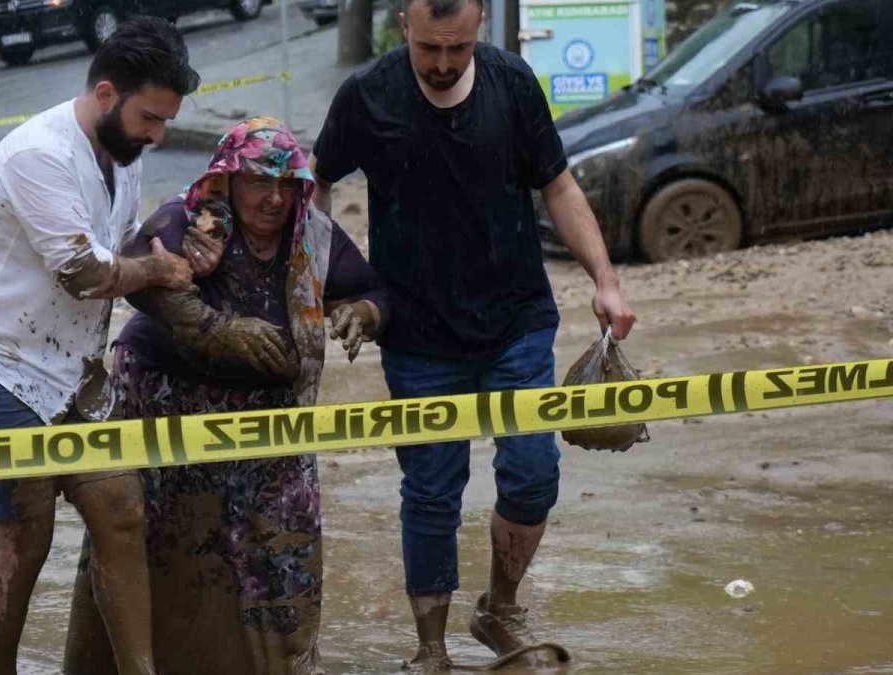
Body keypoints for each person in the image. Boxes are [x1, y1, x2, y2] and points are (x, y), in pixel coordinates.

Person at [309, 0, 637, 668]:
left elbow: (560, 186)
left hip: (516, 320)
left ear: (480, 24)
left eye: (457, 48)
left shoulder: (513, 84)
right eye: (429, 48)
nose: (442, 63)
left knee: (533, 475)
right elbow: (312, 187)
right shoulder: (367, 96)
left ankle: (499, 606)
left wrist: (605, 279)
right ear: (404, 24)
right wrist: (326, 284)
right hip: (416, 332)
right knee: (430, 489)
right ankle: (431, 648)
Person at [62, 116, 388, 675]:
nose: (273, 198)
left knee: (281, 561)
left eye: (286, 184)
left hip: (273, 440)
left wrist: (362, 312)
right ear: (228, 179)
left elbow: (375, 289)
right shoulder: (193, 220)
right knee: (166, 557)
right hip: (171, 426)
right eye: (260, 182)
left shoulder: (315, 237)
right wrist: (214, 326)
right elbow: (137, 276)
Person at [0, 18, 205, 675]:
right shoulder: (39, 155)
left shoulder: (123, 156)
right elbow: (86, 274)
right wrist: (162, 272)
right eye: (149, 118)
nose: (158, 135)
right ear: (106, 93)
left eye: (166, 121)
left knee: (123, 511)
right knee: (25, 542)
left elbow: (121, 248)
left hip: (73, 375)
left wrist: (181, 253)